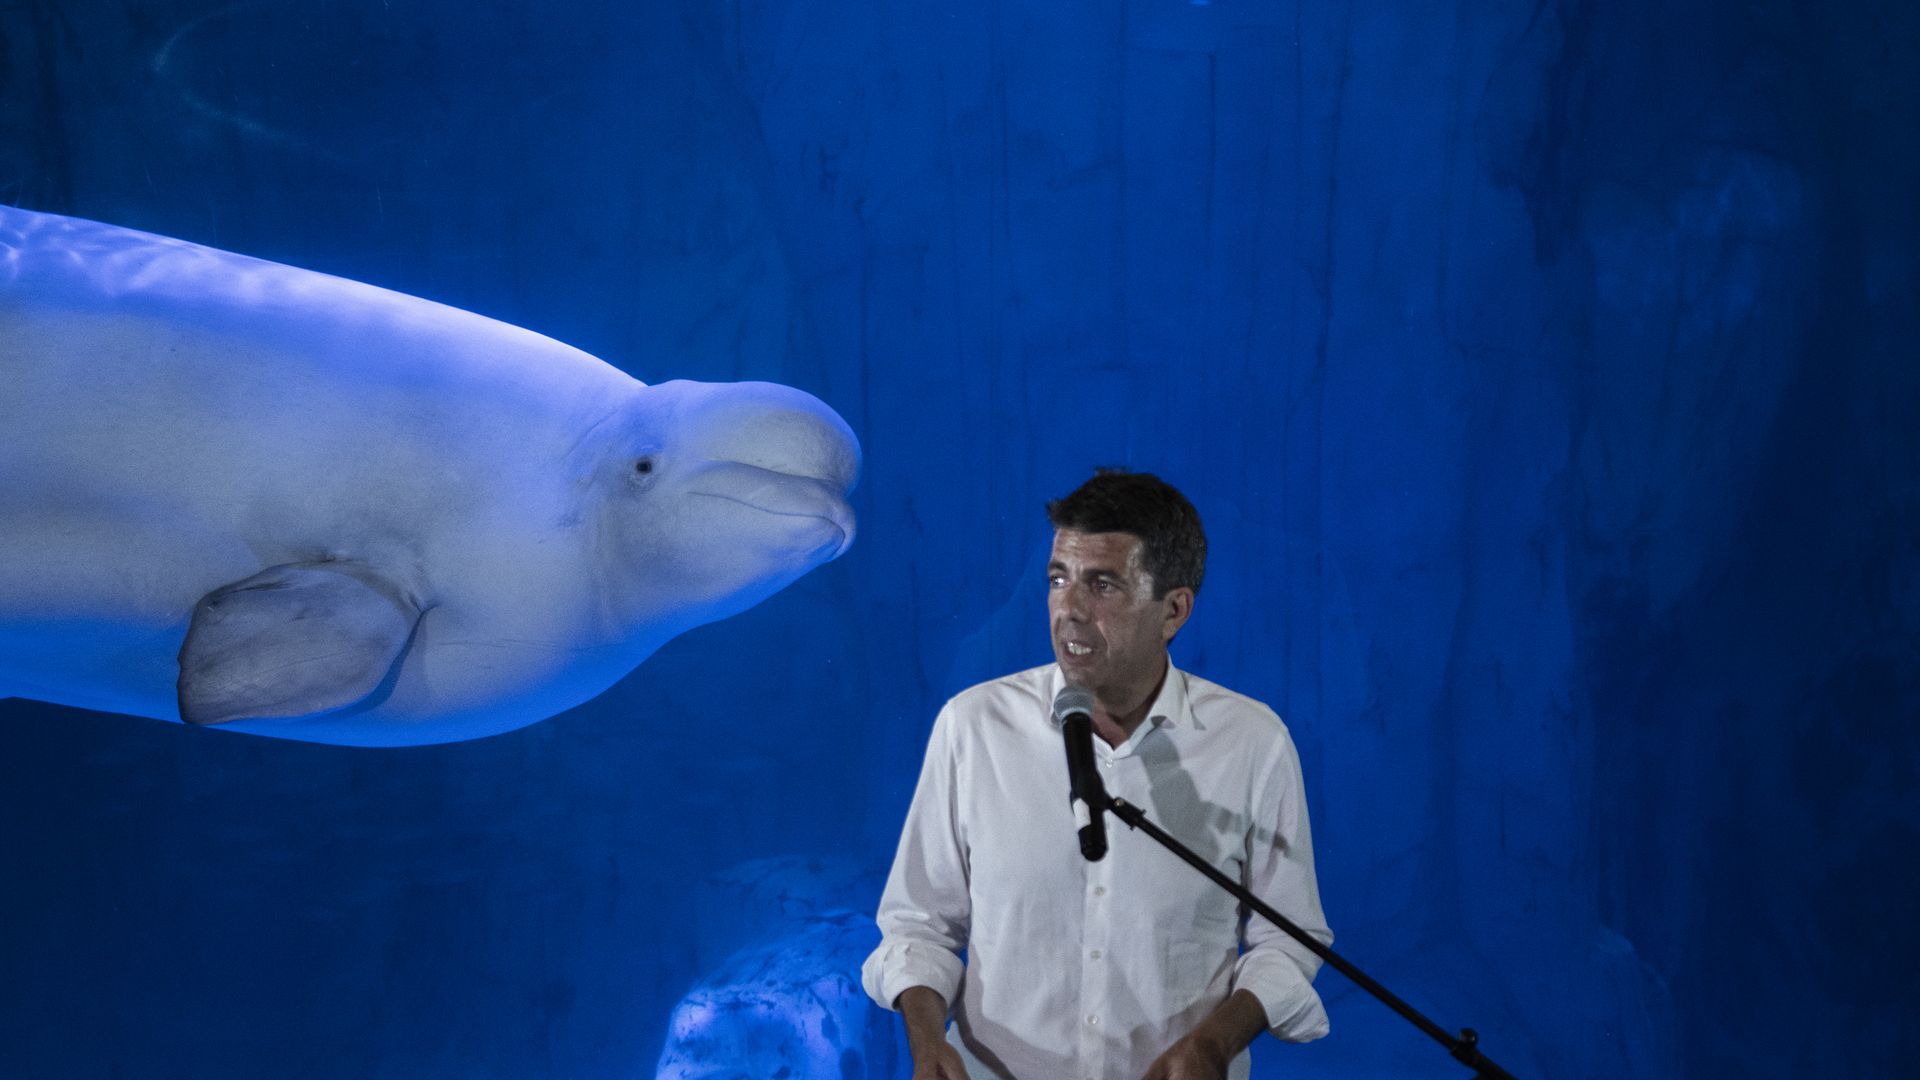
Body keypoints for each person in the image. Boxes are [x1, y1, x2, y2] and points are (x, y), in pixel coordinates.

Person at [861, 469, 1332, 1080]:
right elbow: (917, 927)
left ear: (1174, 610)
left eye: (1102, 584)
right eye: (1059, 579)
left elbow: (1289, 940)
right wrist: (928, 1045)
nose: (1069, 609)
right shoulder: (972, 728)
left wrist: (1215, 1043)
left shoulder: (1251, 743)